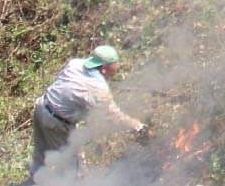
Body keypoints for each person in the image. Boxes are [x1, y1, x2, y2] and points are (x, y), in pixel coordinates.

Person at [30, 44, 146, 177]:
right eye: (115, 65)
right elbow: (113, 116)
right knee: (71, 168)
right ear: (104, 68)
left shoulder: (75, 63)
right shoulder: (97, 88)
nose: (117, 68)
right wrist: (137, 126)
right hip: (56, 123)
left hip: (41, 106)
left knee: (41, 155)